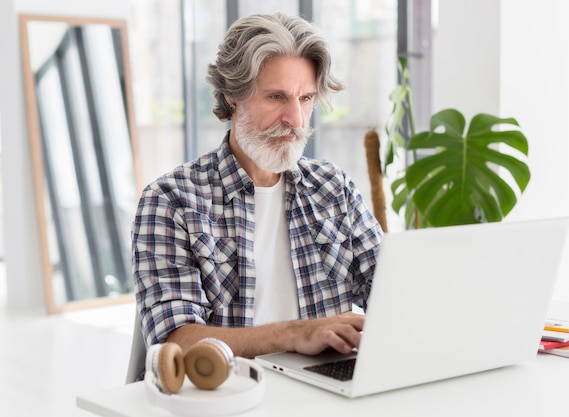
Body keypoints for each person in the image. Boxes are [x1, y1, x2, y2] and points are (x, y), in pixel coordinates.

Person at [131, 12, 383, 362]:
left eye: (306, 98)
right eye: (277, 97)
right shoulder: (172, 201)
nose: (295, 119)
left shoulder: (333, 189)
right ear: (233, 95)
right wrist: (296, 332)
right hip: (229, 396)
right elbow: (176, 341)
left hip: (325, 390)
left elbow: (392, 298)